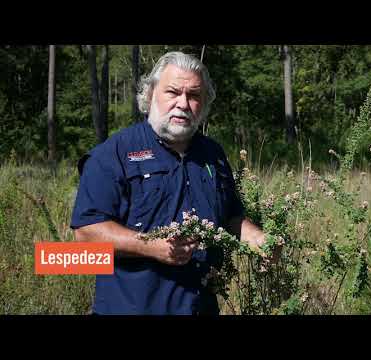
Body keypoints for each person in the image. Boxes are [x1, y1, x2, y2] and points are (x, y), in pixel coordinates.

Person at [70, 51, 271, 315]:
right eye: (173, 92)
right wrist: (152, 246)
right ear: (151, 94)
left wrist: (258, 239)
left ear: (205, 103)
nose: (183, 104)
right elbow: (85, 235)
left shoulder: (213, 154)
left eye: (194, 95)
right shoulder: (114, 153)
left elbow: (230, 218)